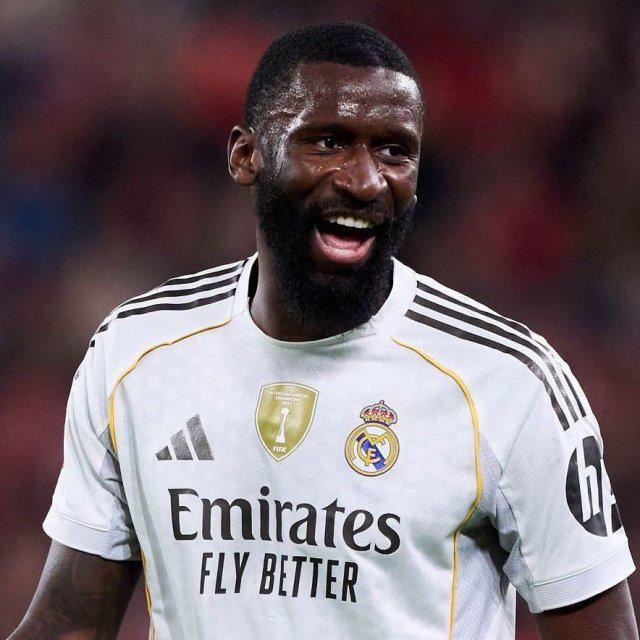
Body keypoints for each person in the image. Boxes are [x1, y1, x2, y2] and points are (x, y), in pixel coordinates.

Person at [8, 22, 638, 640]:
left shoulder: (510, 382)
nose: (364, 181)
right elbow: (71, 623)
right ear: (245, 156)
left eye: (394, 151)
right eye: (328, 143)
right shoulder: (136, 355)